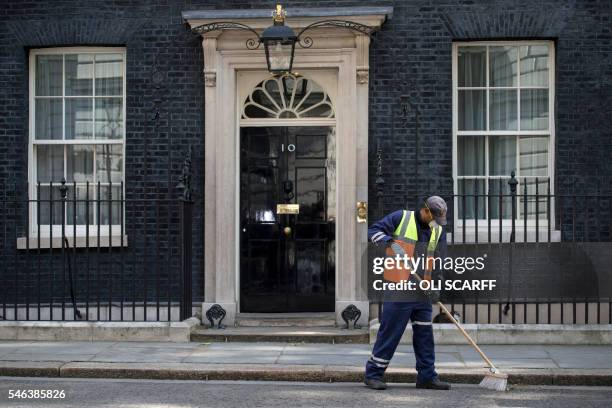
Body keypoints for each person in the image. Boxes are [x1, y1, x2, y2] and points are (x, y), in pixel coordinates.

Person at [364, 196, 451, 391]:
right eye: (435, 217)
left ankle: (427, 376)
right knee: (391, 332)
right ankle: (373, 374)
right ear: (425, 211)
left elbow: (439, 261)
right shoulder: (400, 218)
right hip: (398, 288)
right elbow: (372, 231)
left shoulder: (438, 231)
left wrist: (437, 287)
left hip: (422, 291)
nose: (437, 222)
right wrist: (390, 243)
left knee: (424, 334)